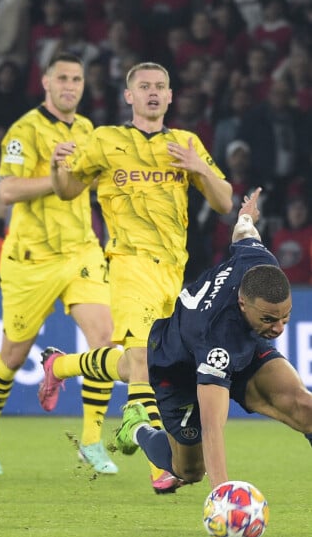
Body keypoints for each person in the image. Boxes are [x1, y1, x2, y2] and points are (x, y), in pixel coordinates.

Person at [42, 61, 233, 493]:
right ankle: (158, 464)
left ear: (169, 96)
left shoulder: (186, 143)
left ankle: (60, 365)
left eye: (160, 87)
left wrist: (198, 168)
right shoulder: (106, 140)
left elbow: (224, 202)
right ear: (128, 96)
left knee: (136, 364)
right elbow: (69, 189)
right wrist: (58, 167)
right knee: (146, 359)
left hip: (174, 272)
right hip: (128, 262)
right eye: (143, 86)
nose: (152, 93)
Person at [110, 188, 312, 491]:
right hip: (178, 365)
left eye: (285, 317)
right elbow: (213, 427)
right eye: (269, 319)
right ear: (243, 302)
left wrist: (247, 213)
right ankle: (137, 428)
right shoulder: (215, 337)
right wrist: (223, 493)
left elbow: (244, 231)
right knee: (189, 471)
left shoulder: (258, 259)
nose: (279, 328)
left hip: (239, 342)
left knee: (303, 408)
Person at [0, 52, 117, 477]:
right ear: (46, 83)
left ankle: (91, 441)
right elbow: (7, 190)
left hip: (81, 251)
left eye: (77, 79)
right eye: (63, 79)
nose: (70, 86)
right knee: (12, 355)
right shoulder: (24, 130)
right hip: (31, 259)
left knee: (105, 339)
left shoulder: (89, 130)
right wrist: (58, 179)